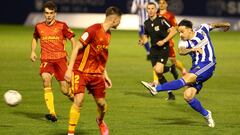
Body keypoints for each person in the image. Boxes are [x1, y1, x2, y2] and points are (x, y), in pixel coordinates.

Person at [142, 19, 231, 127]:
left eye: (182, 31)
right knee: (188, 96)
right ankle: (207, 114)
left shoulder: (202, 29)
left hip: (208, 64)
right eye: (179, 32)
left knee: (186, 79)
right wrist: (192, 49)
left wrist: (225, 24)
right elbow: (181, 51)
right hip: (196, 68)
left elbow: (213, 25)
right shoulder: (183, 41)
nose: (180, 34)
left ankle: (156, 89)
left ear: (189, 30)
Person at [64, 6, 122, 135]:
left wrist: (105, 74)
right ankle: (70, 133)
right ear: (115, 20)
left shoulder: (108, 34)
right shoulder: (93, 30)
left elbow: (100, 56)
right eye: (119, 20)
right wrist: (69, 69)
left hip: (96, 74)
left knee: (102, 105)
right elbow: (76, 48)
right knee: (78, 100)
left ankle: (100, 121)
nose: (120, 23)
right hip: (81, 71)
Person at [30, 1, 75, 122]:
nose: (48, 15)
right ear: (44, 13)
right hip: (46, 60)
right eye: (46, 13)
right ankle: (52, 113)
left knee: (65, 90)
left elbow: (73, 39)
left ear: (55, 13)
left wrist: (73, 53)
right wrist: (33, 51)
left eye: (51, 13)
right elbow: (35, 37)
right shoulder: (39, 26)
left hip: (60, 60)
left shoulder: (62, 26)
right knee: (46, 79)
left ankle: (73, 96)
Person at [139, 2, 177, 100]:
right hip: (154, 50)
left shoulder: (162, 20)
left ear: (156, 10)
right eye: (148, 9)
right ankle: (170, 94)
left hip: (164, 48)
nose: (150, 10)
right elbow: (146, 36)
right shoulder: (146, 23)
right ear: (146, 10)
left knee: (158, 70)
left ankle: (168, 71)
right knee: (159, 74)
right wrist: (143, 41)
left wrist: (164, 40)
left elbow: (173, 31)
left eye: (152, 8)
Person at [158, 0, 187, 75]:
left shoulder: (170, 15)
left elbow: (175, 27)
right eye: (160, 3)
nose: (161, 5)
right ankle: (156, 81)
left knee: (173, 60)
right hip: (158, 41)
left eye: (163, 3)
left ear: (166, 5)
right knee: (157, 61)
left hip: (168, 42)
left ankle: (183, 70)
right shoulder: (156, 14)